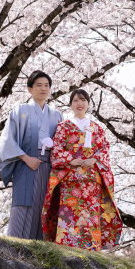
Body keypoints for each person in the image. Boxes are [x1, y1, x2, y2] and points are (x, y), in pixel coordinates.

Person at [42, 88, 122, 249]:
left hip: (92, 181)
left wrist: (94, 159)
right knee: (69, 213)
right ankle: (66, 247)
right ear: (71, 104)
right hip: (70, 179)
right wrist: (72, 160)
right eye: (76, 100)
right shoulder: (63, 126)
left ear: (88, 103)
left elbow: (104, 149)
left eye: (83, 100)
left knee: (91, 215)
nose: (80, 103)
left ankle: (92, 247)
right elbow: (57, 149)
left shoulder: (97, 128)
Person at [0, 71, 63, 240]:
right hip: (25, 163)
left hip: (49, 166)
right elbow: (7, 140)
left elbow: (64, 143)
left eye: (46, 85)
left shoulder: (57, 115)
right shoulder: (20, 110)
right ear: (29, 89)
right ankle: (15, 244)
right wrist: (26, 158)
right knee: (23, 204)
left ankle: (41, 249)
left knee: (45, 206)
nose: (43, 88)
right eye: (39, 85)